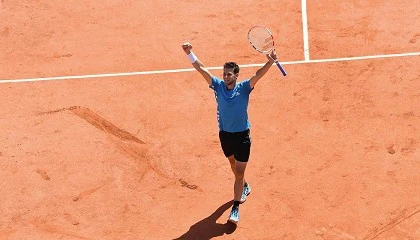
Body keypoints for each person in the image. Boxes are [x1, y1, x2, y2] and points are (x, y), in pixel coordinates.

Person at [182, 42, 278, 224]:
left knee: (239, 172)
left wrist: (270, 62)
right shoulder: (217, 86)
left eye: (229, 74)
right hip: (225, 135)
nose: (225, 77)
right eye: (224, 73)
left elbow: (257, 75)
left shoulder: (243, 88)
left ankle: (235, 208)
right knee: (233, 165)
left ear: (236, 75)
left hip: (242, 136)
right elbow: (201, 69)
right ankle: (245, 186)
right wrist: (189, 53)